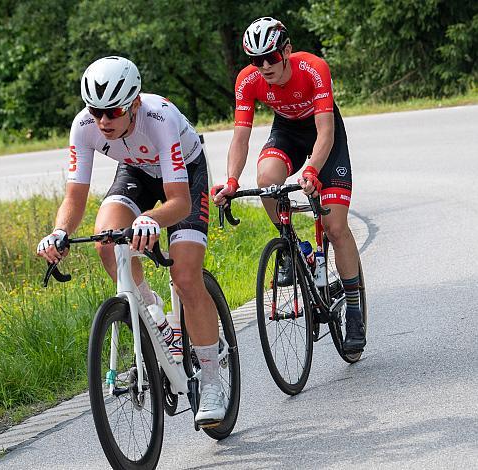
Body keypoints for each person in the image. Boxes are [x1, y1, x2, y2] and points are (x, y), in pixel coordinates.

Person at [37, 56, 225, 426]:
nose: (103, 121)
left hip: (184, 176)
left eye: (114, 111)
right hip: (137, 171)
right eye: (96, 111)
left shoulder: (160, 120)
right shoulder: (84, 126)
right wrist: (60, 232)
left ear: (135, 103)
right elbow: (74, 199)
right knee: (107, 241)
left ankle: (213, 380)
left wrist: (149, 219)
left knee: (186, 277)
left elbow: (179, 202)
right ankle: (154, 312)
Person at [212, 17, 365, 352]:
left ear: (287, 51)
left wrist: (311, 170)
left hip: (324, 134)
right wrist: (232, 181)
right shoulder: (247, 80)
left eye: (271, 57)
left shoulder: (313, 69)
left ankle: (353, 306)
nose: (264, 66)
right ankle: (297, 250)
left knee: (335, 226)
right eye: (256, 59)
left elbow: (325, 131)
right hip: (287, 132)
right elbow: (241, 138)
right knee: (266, 179)